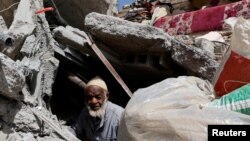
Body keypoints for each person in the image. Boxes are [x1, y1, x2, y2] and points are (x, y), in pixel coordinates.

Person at [73, 76, 124, 141]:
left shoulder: (119, 116)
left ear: (107, 96)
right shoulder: (85, 112)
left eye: (98, 97)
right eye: (89, 97)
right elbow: (76, 130)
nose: (93, 101)